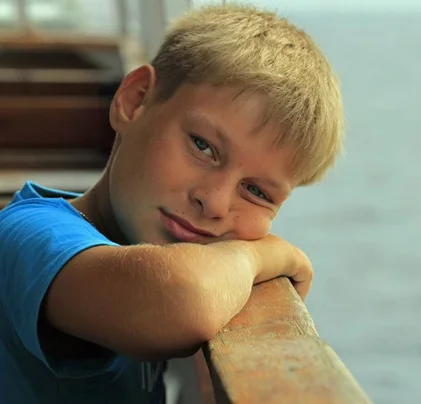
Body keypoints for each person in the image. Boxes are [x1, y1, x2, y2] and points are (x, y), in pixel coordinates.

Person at [0, 3, 343, 404]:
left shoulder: (139, 241)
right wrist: (265, 255)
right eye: (203, 146)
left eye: (257, 192)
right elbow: (183, 298)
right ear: (134, 100)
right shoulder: (26, 236)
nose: (214, 202)